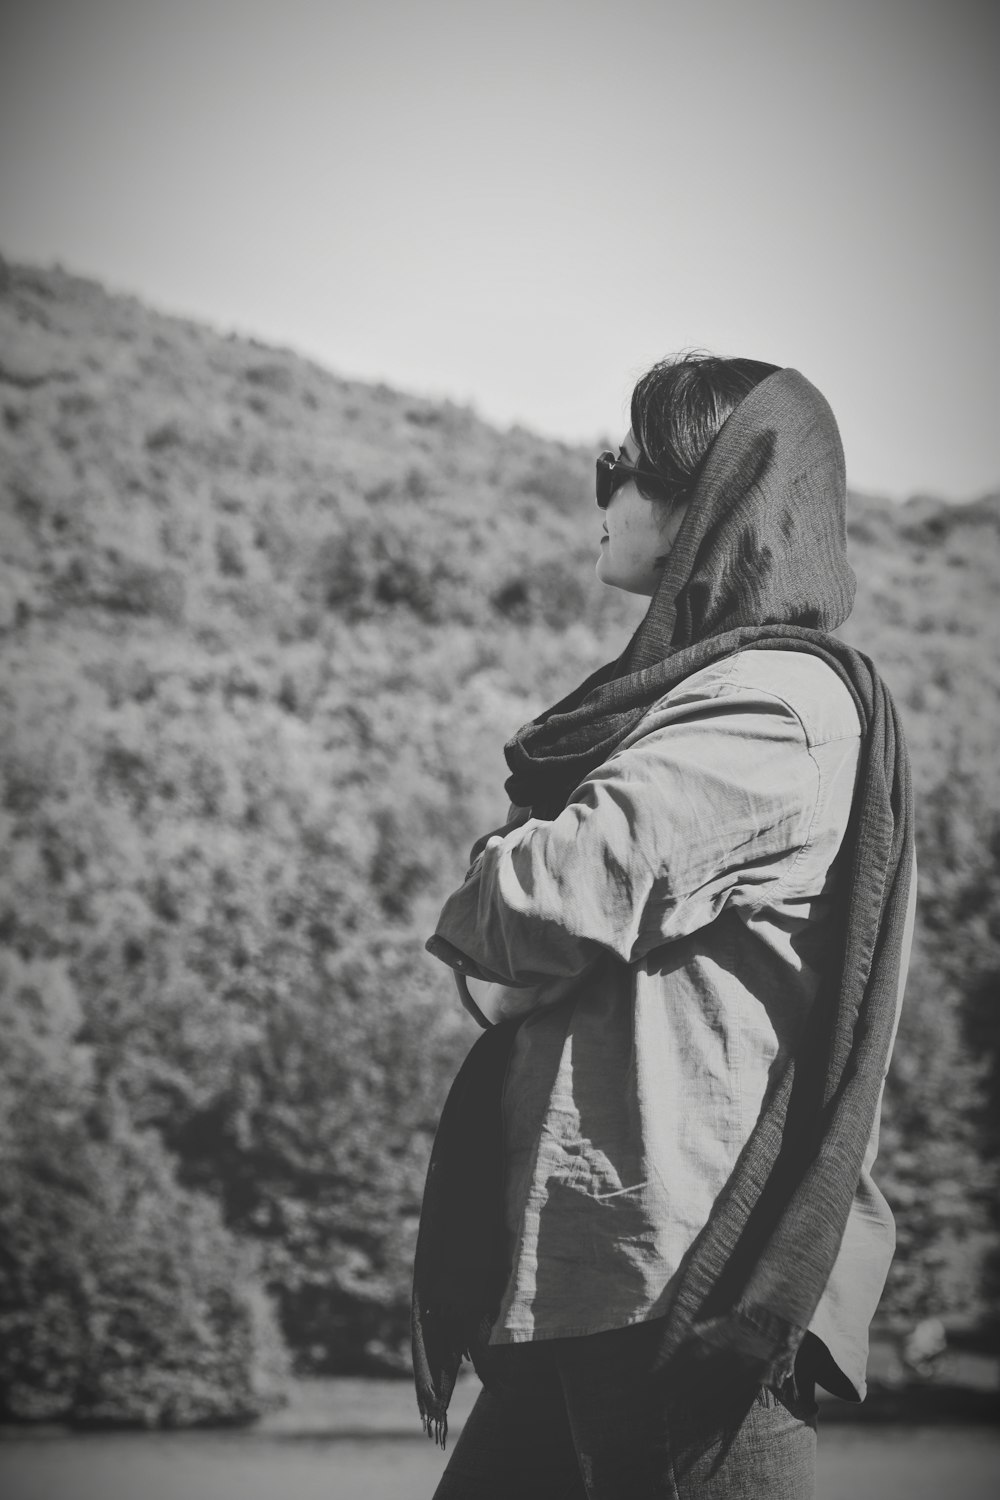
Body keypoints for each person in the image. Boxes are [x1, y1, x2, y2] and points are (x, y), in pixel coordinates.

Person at [412, 354, 916, 1499]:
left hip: (691, 1288)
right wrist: (516, 916)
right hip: (587, 1274)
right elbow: (510, 953)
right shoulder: (691, 699)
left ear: (715, 497)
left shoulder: (772, 708)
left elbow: (536, 901)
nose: (601, 497)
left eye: (621, 469)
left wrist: (501, 873)